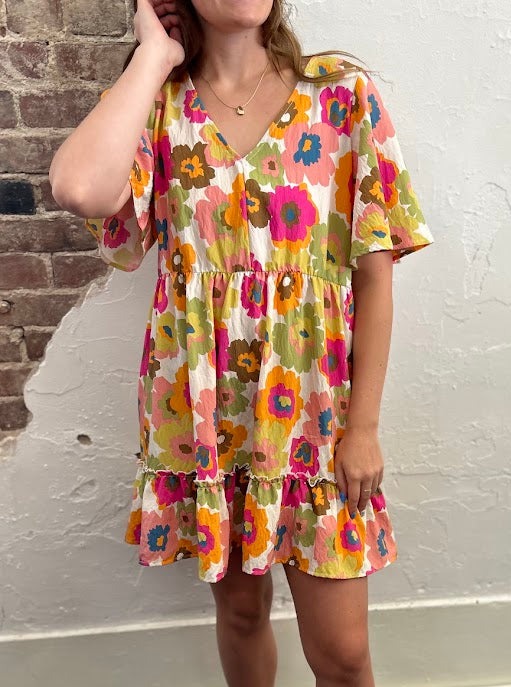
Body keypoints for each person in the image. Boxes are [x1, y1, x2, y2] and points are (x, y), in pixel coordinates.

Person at [49, 1, 435, 685]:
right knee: (240, 615)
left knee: (343, 656)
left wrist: (364, 428)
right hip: (202, 415)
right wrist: (154, 56)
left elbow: (375, 275)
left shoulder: (340, 94)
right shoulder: (158, 106)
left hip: (314, 418)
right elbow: (81, 188)